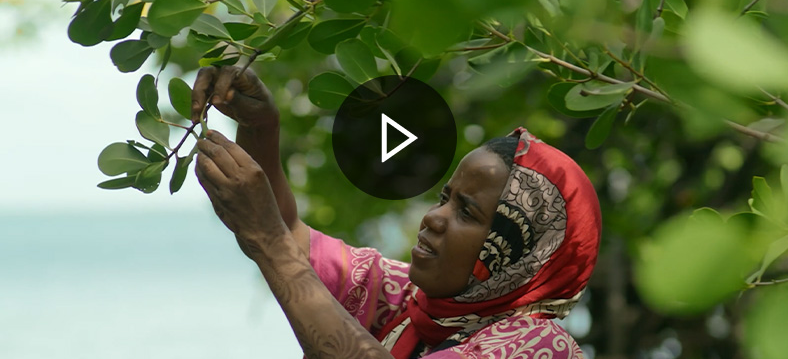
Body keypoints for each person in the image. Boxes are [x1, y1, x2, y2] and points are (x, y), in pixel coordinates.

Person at [191, 66, 602, 359]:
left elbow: (276, 241)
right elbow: (290, 237)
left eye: (467, 213)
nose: (434, 218)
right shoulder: (412, 303)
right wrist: (261, 127)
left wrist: (267, 239)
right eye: (445, 198)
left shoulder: (540, 348)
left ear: (518, 257)